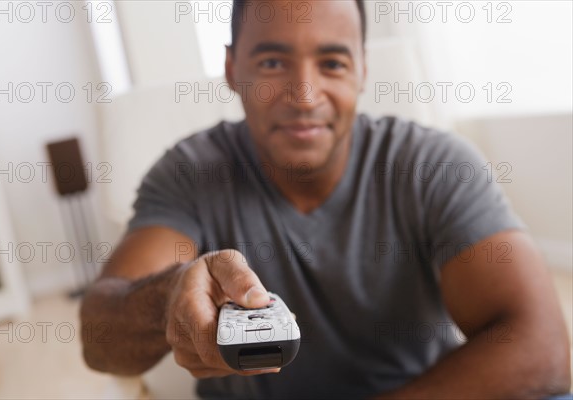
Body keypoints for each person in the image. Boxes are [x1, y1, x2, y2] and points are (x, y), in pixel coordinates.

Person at [80, 1, 571, 398]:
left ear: (361, 70)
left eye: (332, 63)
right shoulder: (190, 172)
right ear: (232, 70)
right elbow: (99, 341)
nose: (305, 95)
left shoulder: (436, 164)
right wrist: (167, 296)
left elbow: (544, 350)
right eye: (272, 62)